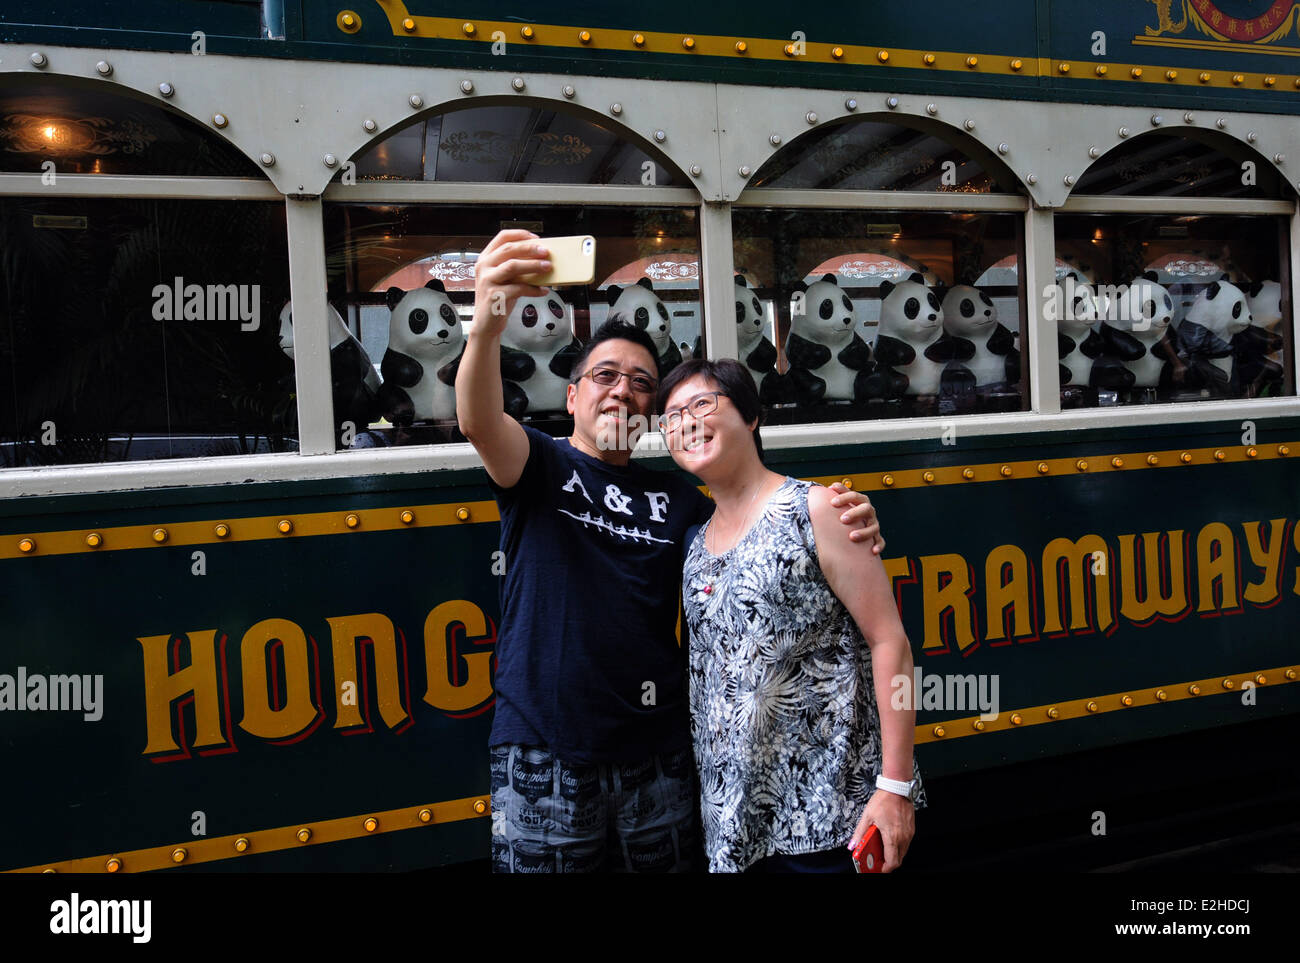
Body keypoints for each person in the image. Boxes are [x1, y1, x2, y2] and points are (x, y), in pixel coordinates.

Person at [455, 229, 886, 873]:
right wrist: (488, 318)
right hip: (546, 752)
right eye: (604, 376)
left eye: (641, 382)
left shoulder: (681, 499)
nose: (622, 390)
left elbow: (758, 523)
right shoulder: (538, 465)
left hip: (657, 756)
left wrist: (845, 512)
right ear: (572, 396)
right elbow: (478, 419)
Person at [657, 357, 925, 873]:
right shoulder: (695, 542)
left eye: (702, 404)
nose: (685, 422)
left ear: (751, 417)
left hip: (832, 816)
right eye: (670, 416)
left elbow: (890, 641)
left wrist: (895, 786)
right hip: (735, 825)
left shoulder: (818, 510)